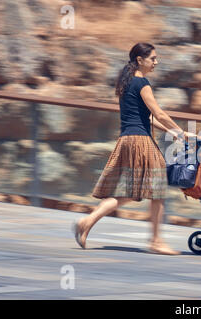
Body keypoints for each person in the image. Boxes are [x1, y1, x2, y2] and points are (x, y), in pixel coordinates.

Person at [72, 42, 193, 255]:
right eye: (153, 58)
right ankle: (155, 241)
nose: (156, 62)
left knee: (132, 192)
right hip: (140, 142)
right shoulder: (142, 82)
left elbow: (144, 117)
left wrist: (172, 132)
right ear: (140, 60)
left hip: (127, 140)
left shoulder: (126, 83)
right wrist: (182, 133)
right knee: (158, 189)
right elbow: (159, 113)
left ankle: (87, 221)